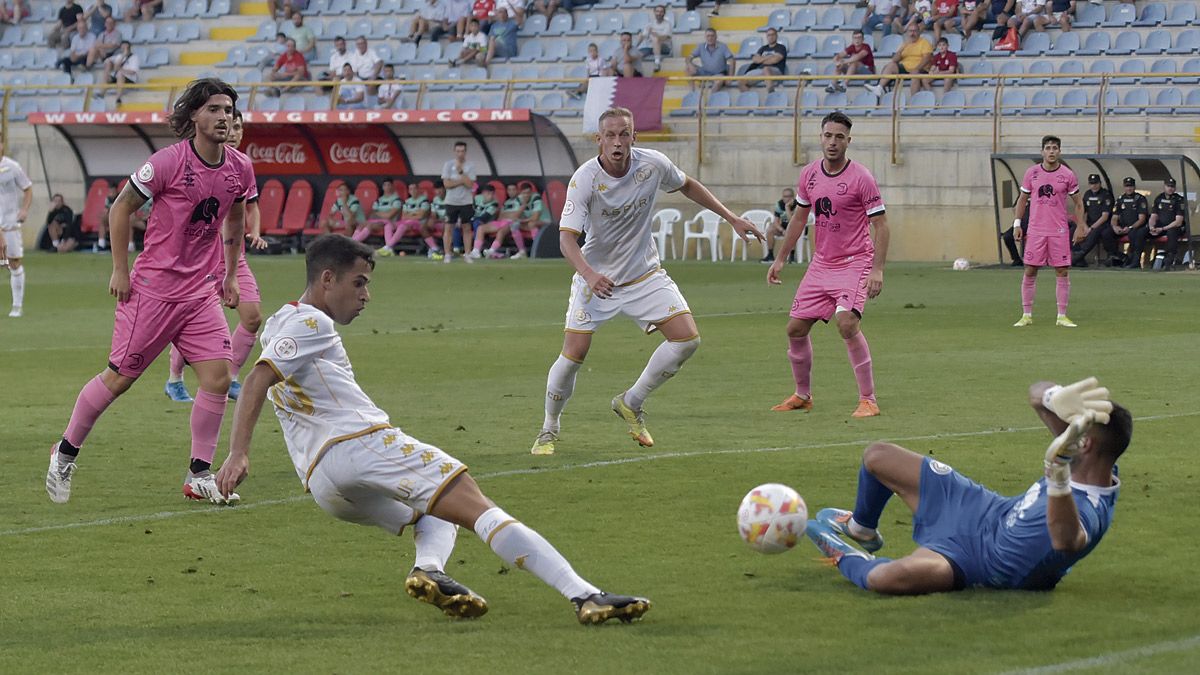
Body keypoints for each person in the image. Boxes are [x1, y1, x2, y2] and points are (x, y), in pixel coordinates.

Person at [212, 234, 652, 624]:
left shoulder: (279, 323)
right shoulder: (313, 321)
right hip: (359, 444)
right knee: (477, 506)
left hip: (321, 482)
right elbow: (255, 381)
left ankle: (429, 570)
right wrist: (237, 453)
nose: (366, 295)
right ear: (327, 279)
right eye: (358, 283)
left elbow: (263, 377)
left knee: (433, 514)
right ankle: (585, 596)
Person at [44, 78, 256, 506]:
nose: (223, 117)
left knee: (217, 378)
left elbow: (234, 221)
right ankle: (64, 453)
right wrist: (120, 269)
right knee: (119, 379)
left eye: (229, 110)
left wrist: (230, 275)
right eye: (214, 109)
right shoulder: (166, 162)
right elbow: (120, 207)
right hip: (153, 291)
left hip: (199, 292)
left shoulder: (239, 167)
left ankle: (199, 474)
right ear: (194, 115)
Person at [531, 107, 762, 456]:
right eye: (610, 135)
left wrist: (731, 217)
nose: (618, 141)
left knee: (687, 340)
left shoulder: (652, 164)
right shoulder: (585, 179)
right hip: (598, 280)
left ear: (634, 136)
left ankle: (631, 401)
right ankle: (549, 428)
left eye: (624, 133)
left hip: (644, 275)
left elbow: (687, 185)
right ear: (599, 140)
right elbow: (567, 240)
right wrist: (590, 275)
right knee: (574, 354)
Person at [808, 377, 1129, 595]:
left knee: (884, 579)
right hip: (980, 510)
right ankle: (861, 528)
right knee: (878, 456)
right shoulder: (1087, 459)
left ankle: (844, 554)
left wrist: (1056, 471)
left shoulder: (1092, 510)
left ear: (1084, 444)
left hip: (976, 562)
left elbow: (1066, 540)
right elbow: (1035, 394)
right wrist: (1053, 396)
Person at [767, 112, 890, 419]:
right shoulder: (809, 174)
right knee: (795, 329)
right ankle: (802, 395)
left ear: (849, 141)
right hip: (821, 263)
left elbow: (882, 225)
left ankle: (868, 400)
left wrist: (877, 269)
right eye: (828, 136)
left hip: (854, 261)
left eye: (839, 137)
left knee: (847, 323)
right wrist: (780, 258)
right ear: (820, 137)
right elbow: (798, 218)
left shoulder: (861, 177)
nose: (832, 142)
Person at [165, 110, 266, 405]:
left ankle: (232, 377)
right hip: (203, 259)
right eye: (229, 126)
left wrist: (255, 231)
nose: (233, 131)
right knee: (195, 322)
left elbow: (251, 206)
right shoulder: (195, 165)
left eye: (238, 127)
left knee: (253, 316)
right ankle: (174, 380)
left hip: (235, 257)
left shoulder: (242, 167)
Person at [1012, 136, 1084, 327]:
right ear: (1042, 151)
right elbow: (1022, 200)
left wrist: (1080, 226)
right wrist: (1017, 224)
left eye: (1055, 148)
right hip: (1036, 230)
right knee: (1030, 269)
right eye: (1048, 148)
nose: (1051, 151)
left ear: (1059, 151)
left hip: (1058, 231)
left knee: (1062, 271)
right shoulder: (1032, 173)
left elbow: (1078, 202)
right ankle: (1026, 315)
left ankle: (1061, 316)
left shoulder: (1068, 175)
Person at [0, 138, 33, 318]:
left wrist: (24, 210)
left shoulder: (12, 167)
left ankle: (17, 305)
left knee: (13, 263)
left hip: (9, 227)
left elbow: (28, 188)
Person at [865, 22, 932, 97]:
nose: (912, 33)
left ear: (919, 32)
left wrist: (917, 69)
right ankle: (879, 88)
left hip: (920, 68)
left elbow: (927, 58)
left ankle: (914, 99)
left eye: (914, 31)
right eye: (910, 31)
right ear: (907, 33)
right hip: (905, 68)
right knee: (891, 65)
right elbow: (894, 60)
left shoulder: (924, 42)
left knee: (915, 75)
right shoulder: (905, 43)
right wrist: (902, 49)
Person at [1138, 177, 1187, 271]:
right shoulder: (1159, 198)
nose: (1170, 188)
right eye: (1168, 186)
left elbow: (1178, 221)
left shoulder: (1179, 200)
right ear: (1164, 186)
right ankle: (1136, 259)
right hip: (1161, 227)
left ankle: (1169, 260)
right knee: (1141, 232)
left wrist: (1162, 229)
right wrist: (1152, 227)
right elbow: (1153, 216)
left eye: (1172, 187)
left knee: (1172, 232)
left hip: (1173, 227)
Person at [440, 141, 477, 264]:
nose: (460, 153)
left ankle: (467, 253)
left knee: (466, 228)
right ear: (454, 152)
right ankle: (447, 254)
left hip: (466, 201)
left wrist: (461, 173)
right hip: (451, 201)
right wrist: (461, 181)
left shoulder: (470, 165)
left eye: (462, 151)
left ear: (465, 152)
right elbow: (447, 184)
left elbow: (470, 185)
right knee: (448, 228)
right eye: (458, 151)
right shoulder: (448, 165)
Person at [1070, 174, 1115, 267]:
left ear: (1100, 183)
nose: (1093, 186)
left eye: (1095, 183)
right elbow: (1081, 211)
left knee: (1094, 233)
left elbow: (1105, 216)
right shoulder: (1087, 194)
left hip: (1102, 225)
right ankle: (1076, 255)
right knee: (1074, 230)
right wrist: (1084, 225)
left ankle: (1078, 257)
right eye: (1091, 184)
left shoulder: (1106, 195)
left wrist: (1091, 228)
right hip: (1089, 224)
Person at [1108, 177, 1147, 269]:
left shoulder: (1140, 199)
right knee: (1106, 233)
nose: (1129, 188)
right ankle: (1120, 257)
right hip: (1122, 227)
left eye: (1131, 186)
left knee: (1135, 234)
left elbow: (1142, 219)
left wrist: (1130, 227)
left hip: (1135, 227)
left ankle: (1134, 261)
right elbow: (1114, 217)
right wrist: (1115, 226)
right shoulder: (1120, 199)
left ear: (1134, 187)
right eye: (1127, 186)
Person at [737, 27, 787, 93]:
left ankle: (771, 93)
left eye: (773, 35)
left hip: (775, 70)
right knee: (741, 81)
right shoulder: (763, 48)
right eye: (769, 35)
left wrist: (762, 59)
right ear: (766, 37)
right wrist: (770, 56)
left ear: (776, 36)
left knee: (766, 69)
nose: (771, 37)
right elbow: (755, 60)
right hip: (760, 71)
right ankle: (750, 99)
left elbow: (775, 60)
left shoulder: (781, 47)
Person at [686, 28, 735, 92]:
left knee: (718, 81)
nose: (710, 38)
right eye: (708, 36)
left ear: (716, 37)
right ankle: (692, 93)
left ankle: (711, 99)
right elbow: (688, 57)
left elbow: (732, 61)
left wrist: (730, 78)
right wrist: (689, 64)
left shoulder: (722, 46)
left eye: (712, 36)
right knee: (687, 68)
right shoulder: (701, 46)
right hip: (705, 72)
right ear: (705, 37)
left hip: (718, 74)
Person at [363, 178, 402, 253]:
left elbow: (389, 216)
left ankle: (388, 248)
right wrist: (383, 214)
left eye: (389, 185)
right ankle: (352, 243)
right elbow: (372, 215)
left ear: (392, 186)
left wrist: (378, 213)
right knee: (362, 225)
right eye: (385, 185)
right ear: (382, 187)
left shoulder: (396, 199)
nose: (387, 187)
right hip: (378, 222)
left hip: (391, 223)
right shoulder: (379, 200)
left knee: (372, 225)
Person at [760, 187, 797, 264]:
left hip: (796, 227)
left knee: (793, 230)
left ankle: (792, 257)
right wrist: (782, 230)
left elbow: (792, 222)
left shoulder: (797, 205)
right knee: (770, 229)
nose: (785, 198)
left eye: (788, 196)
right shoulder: (779, 204)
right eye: (784, 196)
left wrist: (787, 208)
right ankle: (770, 255)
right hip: (783, 227)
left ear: (792, 197)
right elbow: (776, 221)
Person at [467, 185, 504, 259]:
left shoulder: (494, 203)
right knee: (460, 224)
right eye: (488, 194)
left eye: (492, 194)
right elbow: (469, 210)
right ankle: (457, 249)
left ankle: (477, 250)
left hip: (486, 223)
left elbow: (484, 218)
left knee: (477, 223)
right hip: (473, 219)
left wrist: (471, 219)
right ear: (483, 193)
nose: (490, 196)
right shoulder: (477, 198)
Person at [637, 5, 673, 73]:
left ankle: (657, 62)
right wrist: (636, 46)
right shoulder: (650, 24)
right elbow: (643, 36)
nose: (659, 13)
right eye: (657, 11)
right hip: (650, 47)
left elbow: (665, 37)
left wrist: (655, 35)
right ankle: (637, 72)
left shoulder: (667, 24)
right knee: (636, 54)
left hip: (664, 48)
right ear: (654, 12)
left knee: (656, 39)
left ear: (664, 13)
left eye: (661, 12)